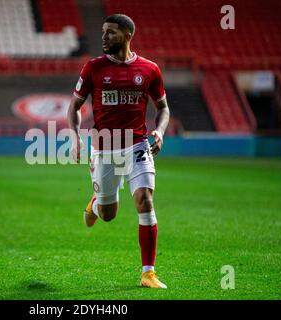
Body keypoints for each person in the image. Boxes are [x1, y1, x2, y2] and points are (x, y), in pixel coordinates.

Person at [67, 14, 170, 289]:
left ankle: (148, 273)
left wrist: (159, 131)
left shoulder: (149, 69)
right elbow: (74, 107)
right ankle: (95, 204)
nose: (104, 37)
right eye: (103, 32)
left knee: (145, 201)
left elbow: (163, 108)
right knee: (109, 214)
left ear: (127, 36)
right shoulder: (93, 68)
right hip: (104, 149)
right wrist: (76, 137)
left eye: (110, 33)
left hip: (137, 145)